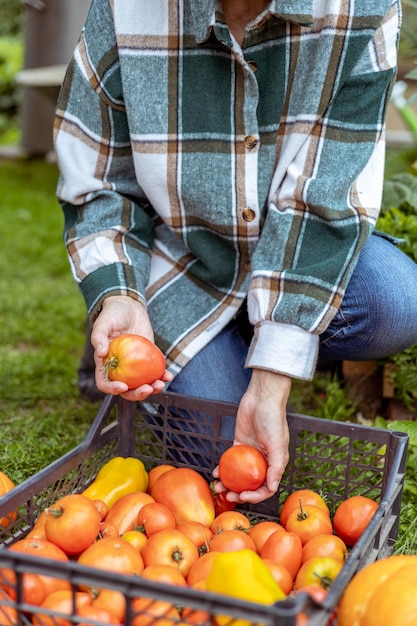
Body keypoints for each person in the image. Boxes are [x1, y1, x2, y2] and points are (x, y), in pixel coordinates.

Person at [54, 0, 417, 505]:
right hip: (185, 266)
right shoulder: (123, 9)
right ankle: (165, 328)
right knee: (216, 450)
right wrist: (117, 291)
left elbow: (321, 201)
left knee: (393, 302)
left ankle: (254, 341)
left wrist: (272, 377)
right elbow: (100, 184)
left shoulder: (361, 9)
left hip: (300, 248)